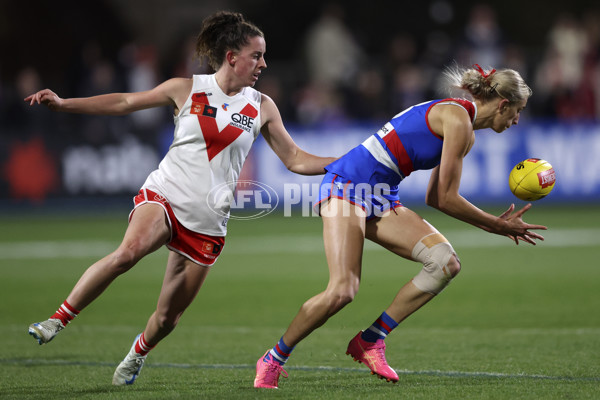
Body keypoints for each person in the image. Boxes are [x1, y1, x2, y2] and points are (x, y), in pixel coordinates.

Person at [24, 11, 335, 386]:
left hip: (208, 221)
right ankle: (57, 319)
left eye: (264, 56)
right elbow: (124, 102)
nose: (264, 64)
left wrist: (347, 161)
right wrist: (64, 103)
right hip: (166, 194)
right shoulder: (186, 88)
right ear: (232, 56)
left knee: (167, 319)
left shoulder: (262, 106)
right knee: (128, 252)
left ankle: (137, 352)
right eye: (257, 55)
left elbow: (295, 158)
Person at [253, 64, 547, 389]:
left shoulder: (464, 130)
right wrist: (497, 225)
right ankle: (273, 358)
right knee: (343, 290)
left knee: (444, 263)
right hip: (349, 186)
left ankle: (371, 340)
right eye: (517, 112)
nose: (517, 120)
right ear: (503, 104)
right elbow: (447, 198)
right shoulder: (457, 119)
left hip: (380, 194)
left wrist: (495, 226)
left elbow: (435, 197)